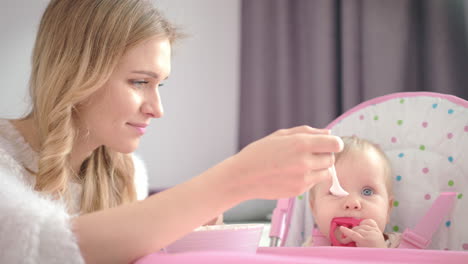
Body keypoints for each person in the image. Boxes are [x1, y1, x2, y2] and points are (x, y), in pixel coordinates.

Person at [0, 0, 343, 263]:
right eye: (139, 82)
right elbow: (45, 248)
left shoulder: (129, 173)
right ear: (76, 73)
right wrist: (236, 179)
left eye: (160, 84)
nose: (157, 109)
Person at [303, 136, 401, 248]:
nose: (352, 203)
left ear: (388, 208)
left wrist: (379, 253)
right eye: (335, 192)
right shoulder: (311, 248)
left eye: (367, 192)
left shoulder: (398, 246)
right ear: (314, 209)